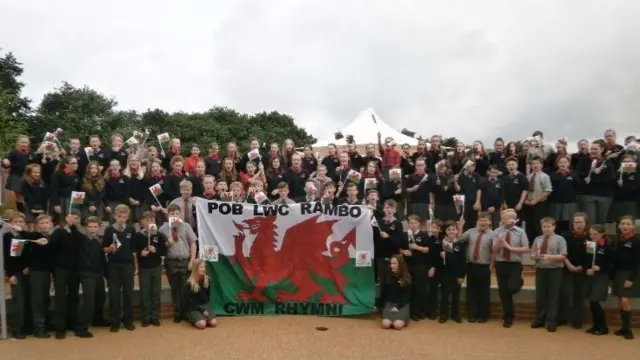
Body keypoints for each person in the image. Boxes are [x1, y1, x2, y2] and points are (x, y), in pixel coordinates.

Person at [160, 204, 198, 323]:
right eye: (172, 214)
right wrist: (167, 242)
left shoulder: (186, 226)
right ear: (168, 214)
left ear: (180, 214)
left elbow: (193, 243)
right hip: (171, 262)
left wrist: (192, 260)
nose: (174, 215)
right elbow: (160, 248)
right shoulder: (162, 229)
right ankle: (177, 313)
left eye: (176, 213)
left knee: (185, 287)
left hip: (185, 261)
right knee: (175, 288)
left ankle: (186, 312)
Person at [493, 209, 529, 328]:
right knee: (503, 292)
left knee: (513, 287)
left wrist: (511, 248)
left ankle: (519, 282)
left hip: (515, 264)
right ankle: (508, 316)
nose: (503, 220)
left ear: (513, 219)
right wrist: (499, 241)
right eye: (502, 218)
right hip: (501, 263)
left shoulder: (520, 232)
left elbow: (526, 248)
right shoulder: (497, 231)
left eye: (506, 218)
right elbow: (494, 249)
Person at [103, 204, 137, 332]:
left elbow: (134, 250)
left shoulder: (131, 230)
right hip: (113, 266)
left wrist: (136, 266)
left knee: (128, 293)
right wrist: (109, 249)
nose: (121, 219)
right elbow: (103, 249)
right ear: (114, 216)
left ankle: (128, 320)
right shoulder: (109, 230)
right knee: (114, 294)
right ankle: (115, 321)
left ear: (127, 217)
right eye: (119, 216)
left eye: (124, 216)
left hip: (128, 265)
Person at [530, 217, 567, 332]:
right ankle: (539, 319)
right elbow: (532, 254)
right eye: (544, 227)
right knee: (540, 295)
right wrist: (535, 256)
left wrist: (548, 256)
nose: (546, 229)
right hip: (541, 269)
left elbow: (563, 256)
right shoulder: (537, 239)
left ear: (554, 227)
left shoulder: (560, 239)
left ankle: (551, 321)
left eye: (549, 226)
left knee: (553, 296)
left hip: (555, 270)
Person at [50, 210, 82, 339]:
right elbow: (53, 247)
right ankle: (60, 327)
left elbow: (80, 246)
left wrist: (73, 229)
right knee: (60, 298)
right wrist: (67, 228)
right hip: (61, 269)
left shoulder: (78, 234)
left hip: (75, 270)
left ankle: (72, 323)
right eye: (72, 218)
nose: (74, 220)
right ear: (66, 218)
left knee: (74, 296)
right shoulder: (59, 232)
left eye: (76, 218)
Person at [460, 212, 495, 323]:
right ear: (477, 221)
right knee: (471, 291)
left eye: (485, 220)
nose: (483, 222)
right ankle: (472, 314)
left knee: (483, 291)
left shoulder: (493, 234)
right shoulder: (470, 232)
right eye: (481, 220)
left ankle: (483, 314)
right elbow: (460, 240)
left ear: (489, 222)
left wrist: (491, 266)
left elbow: (494, 252)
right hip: (471, 265)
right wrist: (460, 227)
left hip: (484, 266)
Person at [2, 211, 32, 339]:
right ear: (10, 223)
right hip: (16, 273)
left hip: (28, 272)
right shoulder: (6, 237)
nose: (19, 224)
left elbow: (30, 254)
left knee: (28, 299)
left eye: (21, 221)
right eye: (16, 221)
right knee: (18, 301)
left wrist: (28, 266)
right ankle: (17, 328)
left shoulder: (25, 235)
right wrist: (10, 274)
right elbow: (7, 258)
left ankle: (27, 326)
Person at [75, 216, 106, 338]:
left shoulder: (99, 241)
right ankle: (81, 327)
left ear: (99, 228)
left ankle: (97, 319)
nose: (92, 229)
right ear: (85, 228)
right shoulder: (81, 240)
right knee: (89, 300)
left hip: (98, 273)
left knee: (100, 297)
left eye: (95, 227)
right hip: (86, 273)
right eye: (90, 227)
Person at [135, 212, 168, 327]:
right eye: (147, 220)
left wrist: (156, 251)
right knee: (145, 293)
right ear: (142, 222)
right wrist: (141, 253)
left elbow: (164, 250)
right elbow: (134, 251)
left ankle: (155, 316)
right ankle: (146, 317)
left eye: (152, 220)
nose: (150, 222)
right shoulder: (137, 235)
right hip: (144, 268)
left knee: (155, 292)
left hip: (156, 266)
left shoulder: (158, 235)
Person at [611, 215, 640, 340]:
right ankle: (623, 327)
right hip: (618, 273)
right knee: (620, 301)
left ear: (633, 226)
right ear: (619, 226)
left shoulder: (636, 241)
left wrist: (631, 279)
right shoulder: (618, 240)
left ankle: (628, 329)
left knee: (625, 300)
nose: (625, 226)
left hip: (629, 273)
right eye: (622, 223)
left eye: (628, 224)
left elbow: (637, 262)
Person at [558, 213, 589, 328]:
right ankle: (562, 318)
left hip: (582, 269)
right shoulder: (566, 236)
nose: (578, 225)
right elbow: (562, 252)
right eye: (576, 222)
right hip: (567, 267)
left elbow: (590, 256)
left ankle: (577, 320)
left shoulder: (590, 238)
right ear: (572, 224)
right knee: (565, 293)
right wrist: (569, 265)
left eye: (581, 222)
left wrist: (582, 267)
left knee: (579, 295)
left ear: (586, 223)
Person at [399, 215, 431, 321]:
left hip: (420, 266)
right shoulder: (404, 235)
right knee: (408, 289)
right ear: (408, 223)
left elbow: (428, 250)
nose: (413, 225)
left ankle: (420, 312)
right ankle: (408, 312)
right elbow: (398, 248)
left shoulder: (424, 235)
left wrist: (417, 247)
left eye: (415, 223)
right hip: (407, 266)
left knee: (419, 289)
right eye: (411, 222)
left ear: (419, 224)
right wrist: (404, 251)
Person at [583, 224, 613, 336]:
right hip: (591, 276)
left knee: (595, 300)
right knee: (591, 301)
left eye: (595, 234)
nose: (592, 236)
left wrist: (600, 267)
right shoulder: (590, 244)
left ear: (602, 234)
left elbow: (612, 263)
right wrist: (587, 269)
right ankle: (596, 325)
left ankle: (603, 326)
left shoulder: (607, 246)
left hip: (602, 276)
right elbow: (587, 259)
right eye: (591, 234)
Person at [438, 221, 467, 323]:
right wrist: (440, 256)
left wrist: (462, 276)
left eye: (453, 229)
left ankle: (456, 314)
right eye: (449, 229)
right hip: (445, 273)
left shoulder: (460, 244)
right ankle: (443, 315)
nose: (451, 231)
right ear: (445, 231)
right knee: (444, 295)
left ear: (456, 231)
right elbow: (437, 260)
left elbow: (463, 261)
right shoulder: (441, 243)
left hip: (456, 274)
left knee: (456, 295)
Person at [183, 259, 218, 329]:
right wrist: (202, 311)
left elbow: (207, 297)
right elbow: (187, 301)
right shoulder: (189, 283)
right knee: (202, 325)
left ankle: (202, 318)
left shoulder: (207, 280)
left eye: (204, 267)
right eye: (201, 267)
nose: (204, 269)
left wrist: (206, 308)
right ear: (196, 269)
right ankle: (191, 317)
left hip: (204, 305)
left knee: (213, 323)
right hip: (193, 307)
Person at [380, 254, 411, 330]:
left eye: (394, 263)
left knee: (397, 325)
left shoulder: (406, 277)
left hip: (402, 305)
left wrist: (398, 307)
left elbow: (408, 296)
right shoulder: (388, 276)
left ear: (400, 264)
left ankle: (404, 319)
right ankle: (392, 320)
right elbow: (385, 293)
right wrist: (382, 306)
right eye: (391, 263)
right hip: (389, 304)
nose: (392, 266)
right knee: (385, 324)